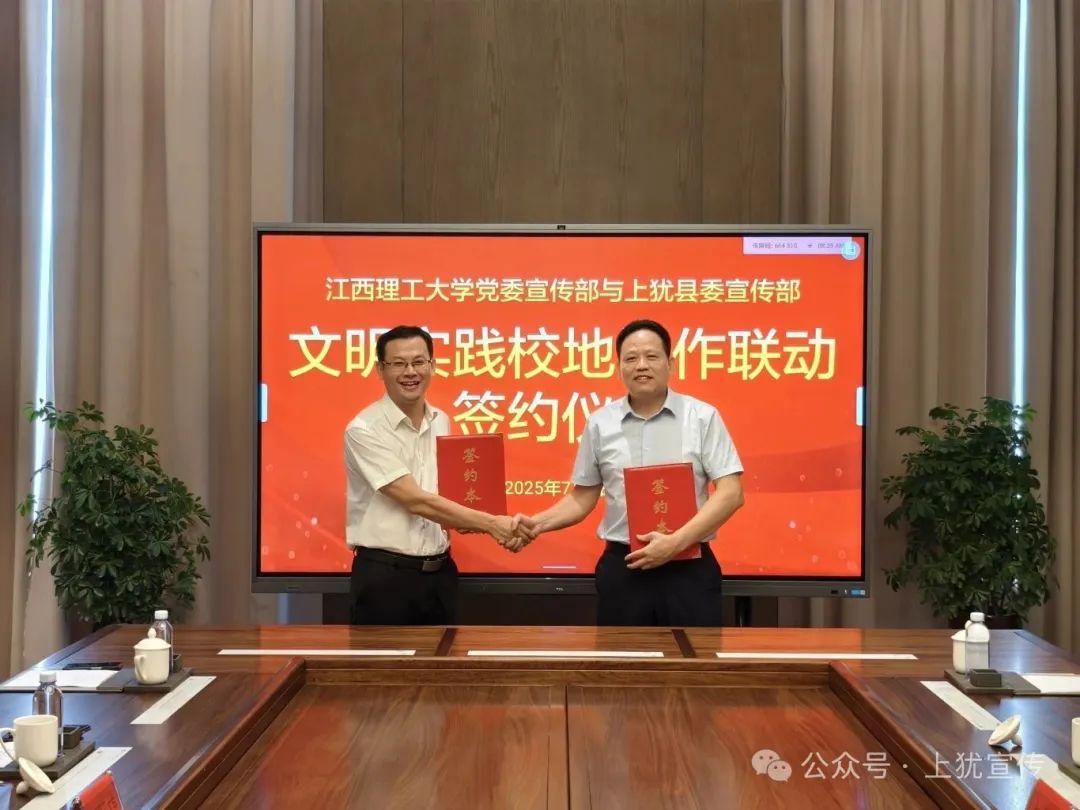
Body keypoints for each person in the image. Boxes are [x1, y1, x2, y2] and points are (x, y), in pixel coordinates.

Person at [513, 319, 744, 626]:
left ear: (671, 363)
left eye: (651, 356)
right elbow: (582, 497)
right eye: (631, 358)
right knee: (621, 657)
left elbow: (731, 493)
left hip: (689, 570)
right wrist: (537, 524)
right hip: (625, 571)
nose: (641, 365)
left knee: (694, 657)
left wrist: (675, 543)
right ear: (619, 366)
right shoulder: (601, 423)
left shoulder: (702, 417)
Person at [345, 325, 528, 625]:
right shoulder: (364, 429)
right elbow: (414, 500)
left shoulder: (441, 420)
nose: (410, 372)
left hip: (440, 576)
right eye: (398, 363)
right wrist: (491, 524)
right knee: (382, 658)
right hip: (386, 579)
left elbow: (443, 495)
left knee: (444, 657)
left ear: (433, 365)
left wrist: (470, 518)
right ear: (380, 369)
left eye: (419, 362)